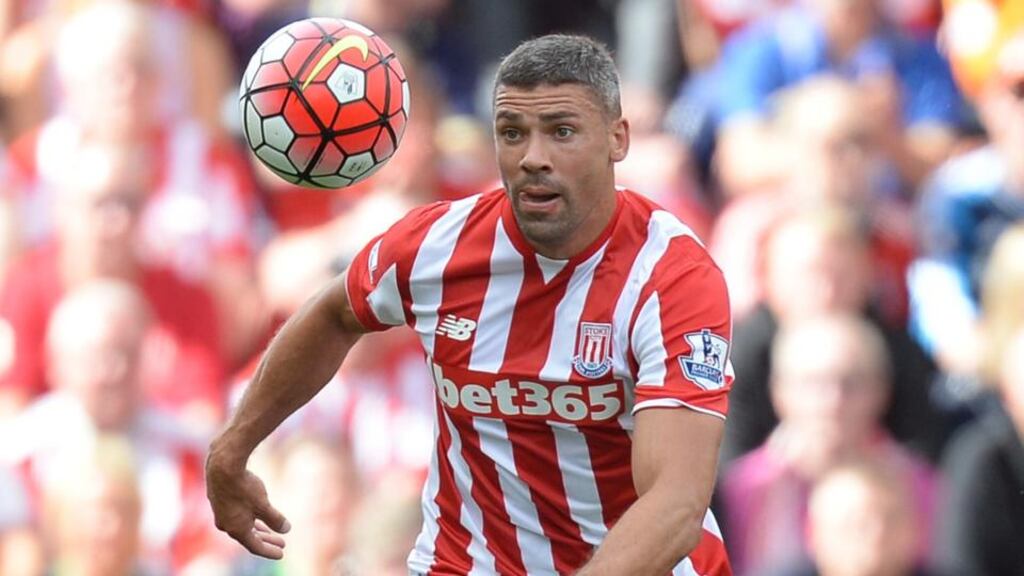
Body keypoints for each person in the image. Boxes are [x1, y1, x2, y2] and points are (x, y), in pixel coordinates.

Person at [207, 34, 734, 575]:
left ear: (617, 140)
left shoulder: (673, 277)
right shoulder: (438, 245)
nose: (533, 158)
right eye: (513, 133)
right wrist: (231, 449)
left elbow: (674, 504)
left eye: (562, 132)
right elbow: (333, 314)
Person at [720, 313, 937, 575]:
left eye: (851, 382)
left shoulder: (921, 488)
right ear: (778, 392)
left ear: (882, 391)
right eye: (813, 383)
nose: (833, 400)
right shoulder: (742, 489)